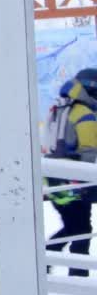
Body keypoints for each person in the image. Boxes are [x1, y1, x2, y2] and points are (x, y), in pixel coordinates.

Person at [44, 68, 97, 277]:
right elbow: (90, 150)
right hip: (76, 180)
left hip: (57, 180)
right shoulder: (84, 113)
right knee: (81, 229)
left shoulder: (59, 108)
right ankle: (77, 276)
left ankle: (45, 262)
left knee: (75, 226)